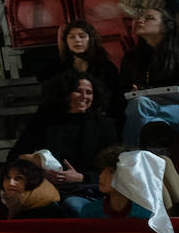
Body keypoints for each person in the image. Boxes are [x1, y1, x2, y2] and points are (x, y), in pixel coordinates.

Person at [9, 72, 118, 215]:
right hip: (45, 186)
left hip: (86, 189)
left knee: (71, 205)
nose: (84, 97)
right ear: (65, 94)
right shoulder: (43, 122)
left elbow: (115, 167)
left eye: (89, 92)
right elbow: (15, 156)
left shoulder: (104, 126)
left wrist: (81, 177)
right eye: (78, 91)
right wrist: (41, 173)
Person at [117, 0, 179, 145]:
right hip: (149, 109)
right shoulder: (131, 58)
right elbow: (121, 90)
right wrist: (131, 92)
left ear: (165, 26)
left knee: (141, 106)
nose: (140, 21)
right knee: (146, 114)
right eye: (140, 17)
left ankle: (129, 155)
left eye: (149, 18)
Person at [37, 19, 124, 128]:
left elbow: (112, 99)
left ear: (91, 40)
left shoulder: (106, 67)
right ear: (66, 41)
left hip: (98, 115)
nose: (77, 40)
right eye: (71, 37)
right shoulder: (57, 68)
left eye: (82, 36)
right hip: (65, 116)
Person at [76, 146, 154, 219]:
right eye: (102, 171)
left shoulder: (147, 214)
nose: (101, 176)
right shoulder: (90, 211)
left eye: (111, 172)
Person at [0, 157, 66, 220]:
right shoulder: (4, 200)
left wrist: (13, 211)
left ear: (31, 181)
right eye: (8, 178)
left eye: (18, 178)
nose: (11, 183)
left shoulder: (46, 210)